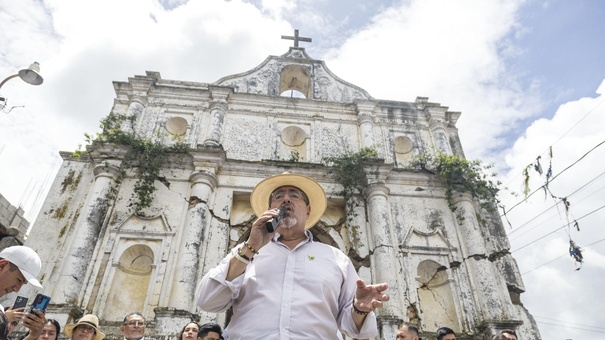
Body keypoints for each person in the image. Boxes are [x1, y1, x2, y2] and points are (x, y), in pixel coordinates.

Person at [196, 173, 390, 339]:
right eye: (278, 196)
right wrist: (250, 248)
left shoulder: (335, 258)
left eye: (294, 196)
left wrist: (360, 308)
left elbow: (353, 327)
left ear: (307, 210)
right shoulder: (244, 252)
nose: (286, 199)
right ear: (269, 209)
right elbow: (208, 301)